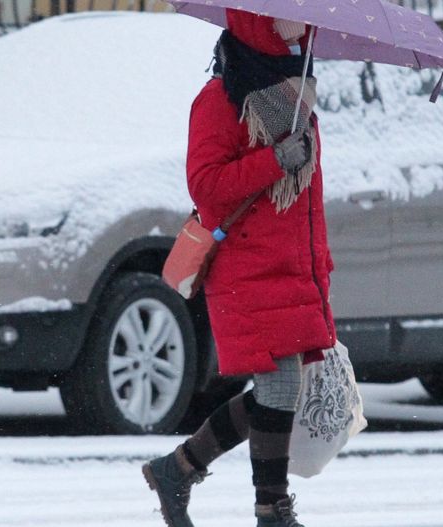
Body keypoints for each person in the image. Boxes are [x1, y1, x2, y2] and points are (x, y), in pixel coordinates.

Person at [142, 11, 337, 527]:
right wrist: (276, 160)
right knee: (277, 391)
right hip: (244, 266)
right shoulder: (220, 99)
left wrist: (321, 269)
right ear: (257, 21)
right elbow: (206, 189)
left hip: (291, 269)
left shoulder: (297, 97)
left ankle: (179, 469)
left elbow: (307, 204)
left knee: (279, 391)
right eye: (287, 14)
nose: (300, 24)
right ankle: (271, 508)